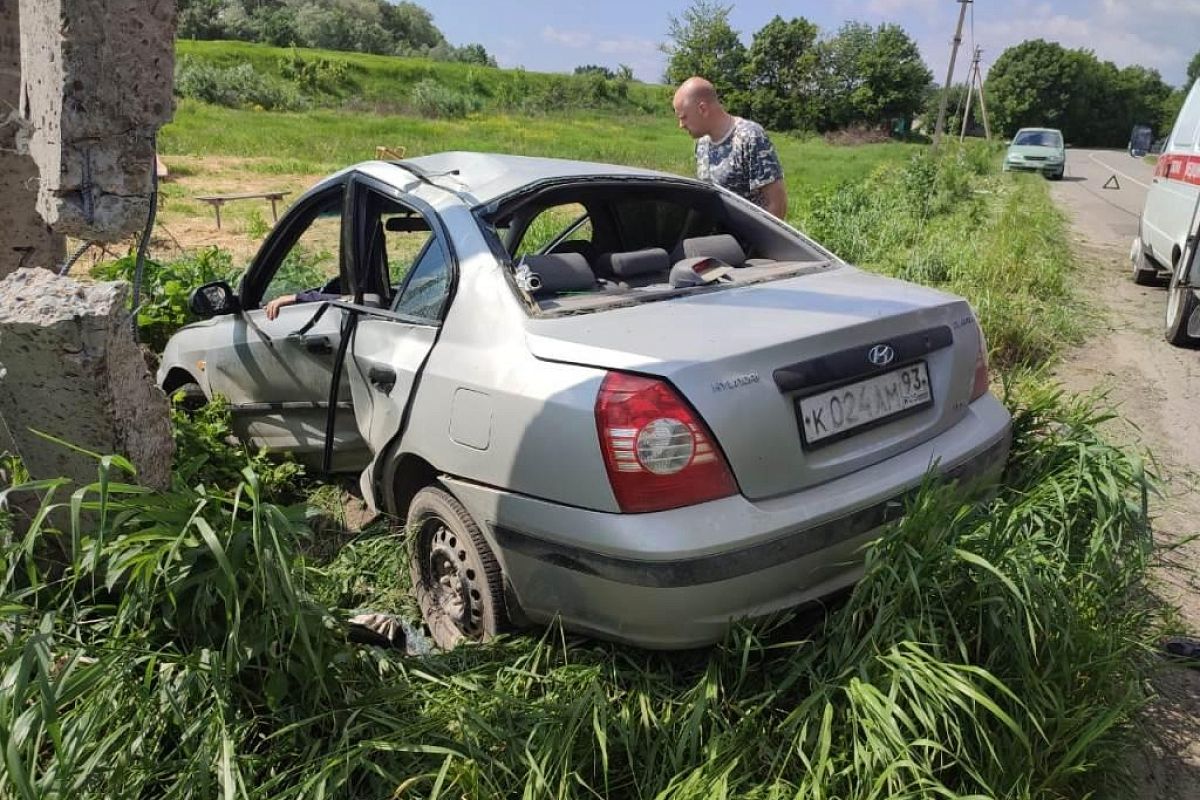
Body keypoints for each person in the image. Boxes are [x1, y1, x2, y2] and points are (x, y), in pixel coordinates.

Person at [672, 76, 788, 220]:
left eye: (683, 117)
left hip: (749, 239)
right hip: (719, 238)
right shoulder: (702, 144)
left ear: (702, 109)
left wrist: (753, 241)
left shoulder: (750, 137)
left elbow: (777, 204)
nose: (681, 125)